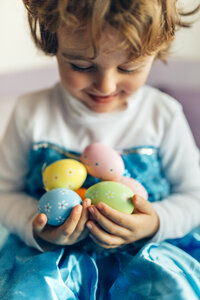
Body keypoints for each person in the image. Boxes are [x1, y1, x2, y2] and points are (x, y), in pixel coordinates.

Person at [0, 0, 200, 299]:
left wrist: (154, 222)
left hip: (148, 260)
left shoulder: (163, 114)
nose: (105, 86)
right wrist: (38, 229)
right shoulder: (32, 112)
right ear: (54, 41)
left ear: (156, 51)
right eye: (81, 65)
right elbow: (5, 191)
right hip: (49, 267)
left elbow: (194, 195)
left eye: (129, 67)